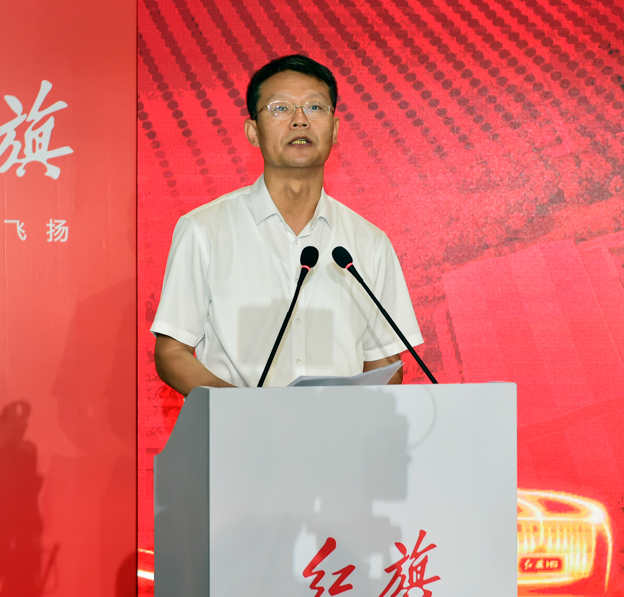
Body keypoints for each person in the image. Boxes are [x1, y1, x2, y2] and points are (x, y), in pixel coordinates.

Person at [151, 54, 422, 395]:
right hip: (238, 426)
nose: (300, 121)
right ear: (253, 132)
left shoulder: (369, 242)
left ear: (335, 129)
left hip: (336, 427)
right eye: (280, 108)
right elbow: (172, 352)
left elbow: (384, 362)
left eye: (315, 107)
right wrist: (240, 409)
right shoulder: (204, 229)